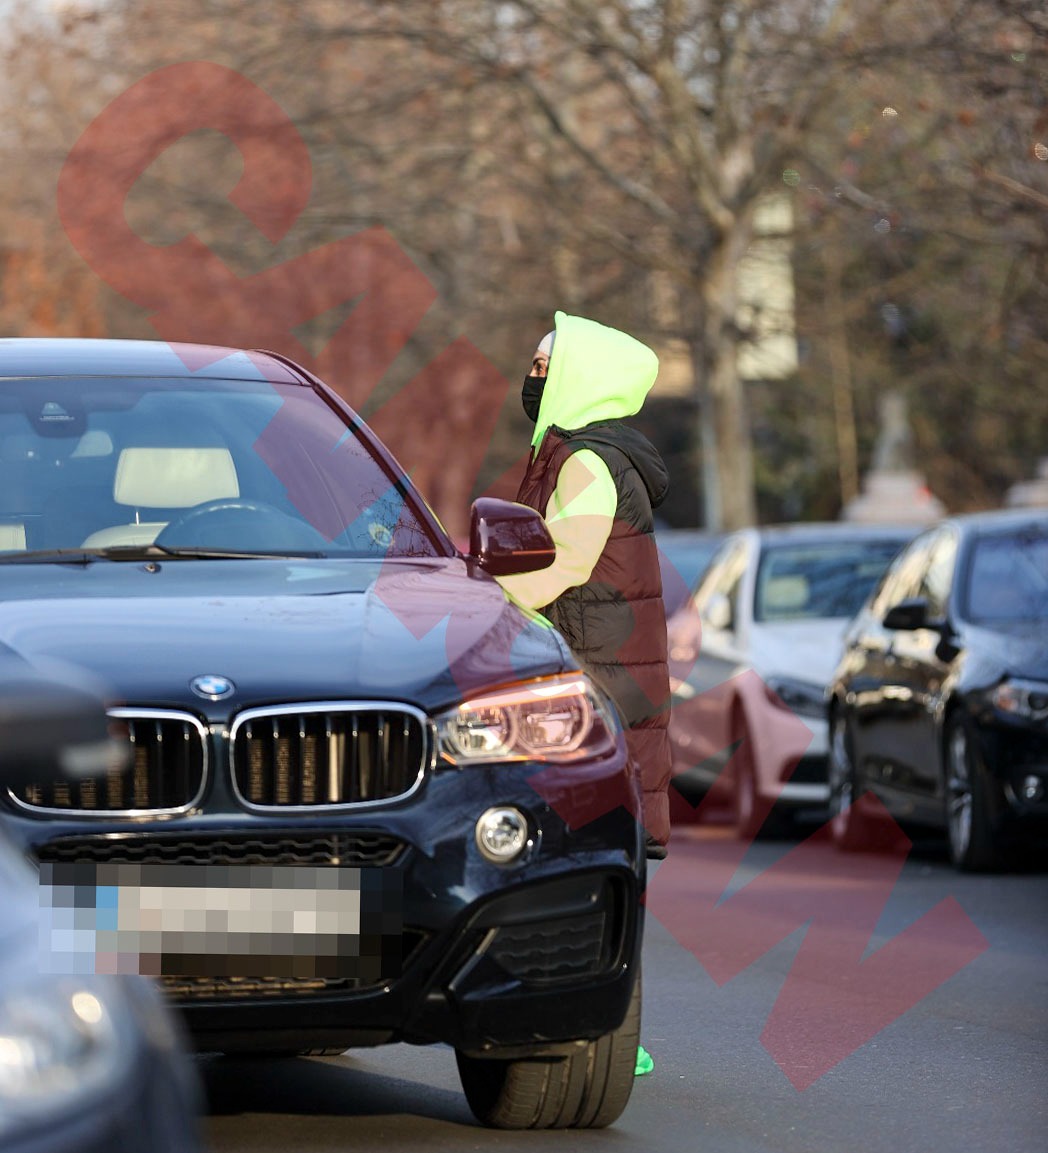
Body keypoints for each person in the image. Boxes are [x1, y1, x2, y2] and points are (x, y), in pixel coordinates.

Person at [497, 312, 672, 1077]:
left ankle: (608, 1032)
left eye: (545, 364)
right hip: (607, 672)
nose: (532, 375)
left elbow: (566, 563)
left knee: (588, 853)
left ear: (578, 376)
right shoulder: (584, 455)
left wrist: (488, 597)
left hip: (595, 680)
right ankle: (595, 1022)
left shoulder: (589, 463)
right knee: (595, 852)